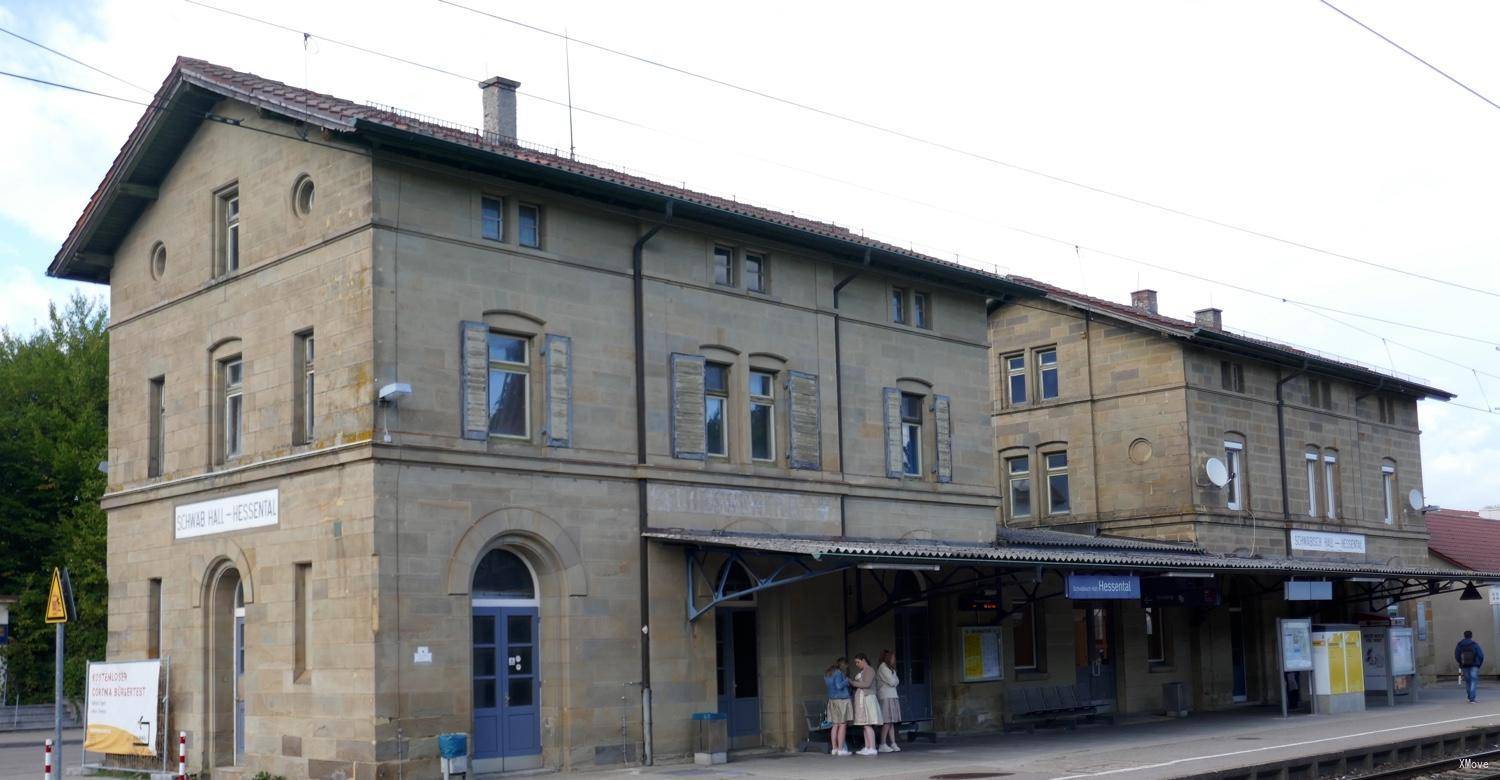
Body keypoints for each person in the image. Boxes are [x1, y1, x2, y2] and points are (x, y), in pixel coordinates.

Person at [848, 653, 883, 756]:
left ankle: (872, 747)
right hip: (862, 699)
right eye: (856, 663)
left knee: (868, 724)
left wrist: (853, 682)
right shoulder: (863, 671)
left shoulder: (870, 670)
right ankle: (867, 747)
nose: (857, 664)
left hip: (867, 699)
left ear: (864, 660)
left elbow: (867, 684)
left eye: (858, 662)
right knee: (864, 725)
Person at [823, 658, 852, 756]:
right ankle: (841, 749)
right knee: (842, 724)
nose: (847, 667)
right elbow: (839, 686)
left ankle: (834, 748)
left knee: (835, 725)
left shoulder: (828, 673)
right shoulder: (839, 673)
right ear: (843, 664)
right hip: (841, 700)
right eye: (846, 665)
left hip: (832, 701)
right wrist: (847, 681)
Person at [875, 650, 902, 752]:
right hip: (886, 696)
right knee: (887, 721)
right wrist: (894, 679)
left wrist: (894, 678)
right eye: (893, 657)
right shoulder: (883, 667)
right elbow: (892, 682)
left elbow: (897, 681)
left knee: (891, 721)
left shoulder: (890, 669)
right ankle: (882, 743)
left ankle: (893, 743)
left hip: (892, 695)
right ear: (888, 658)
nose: (894, 659)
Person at [1456, 630, 1486, 703]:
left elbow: (1457, 655)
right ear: (1471, 636)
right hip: (1474, 665)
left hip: (1464, 665)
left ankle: (1470, 697)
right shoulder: (1474, 644)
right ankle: (1472, 698)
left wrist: (1460, 662)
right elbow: (1481, 655)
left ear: (1464, 635)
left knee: (1468, 681)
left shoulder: (1460, 645)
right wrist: (1478, 664)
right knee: (1473, 681)